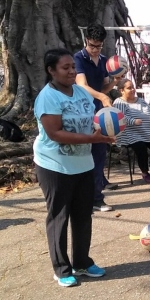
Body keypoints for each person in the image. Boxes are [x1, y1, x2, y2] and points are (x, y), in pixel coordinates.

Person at [34, 48, 115, 287]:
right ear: (51, 70)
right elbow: (55, 133)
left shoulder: (80, 92)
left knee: (82, 215)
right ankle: (61, 269)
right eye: (65, 68)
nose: (71, 71)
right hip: (54, 165)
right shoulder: (48, 97)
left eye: (73, 67)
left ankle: (82, 262)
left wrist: (103, 130)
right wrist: (94, 139)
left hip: (83, 164)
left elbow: (90, 120)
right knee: (59, 216)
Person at [74, 23, 123, 212]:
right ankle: (84, 197)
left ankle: (96, 198)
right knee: (82, 156)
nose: (95, 50)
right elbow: (82, 86)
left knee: (99, 154)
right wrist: (103, 97)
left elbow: (103, 89)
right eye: (92, 45)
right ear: (86, 40)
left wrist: (114, 83)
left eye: (99, 46)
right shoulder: (78, 58)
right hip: (81, 113)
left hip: (99, 115)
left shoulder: (103, 60)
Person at [112, 78, 150, 184]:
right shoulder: (119, 102)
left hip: (146, 131)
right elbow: (120, 117)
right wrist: (133, 121)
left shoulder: (140, 100)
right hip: (129, 133)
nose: (133, 90)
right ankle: (145, 173)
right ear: (122, 90)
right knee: (141, 147)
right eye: (129, 88)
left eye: (133, 87)